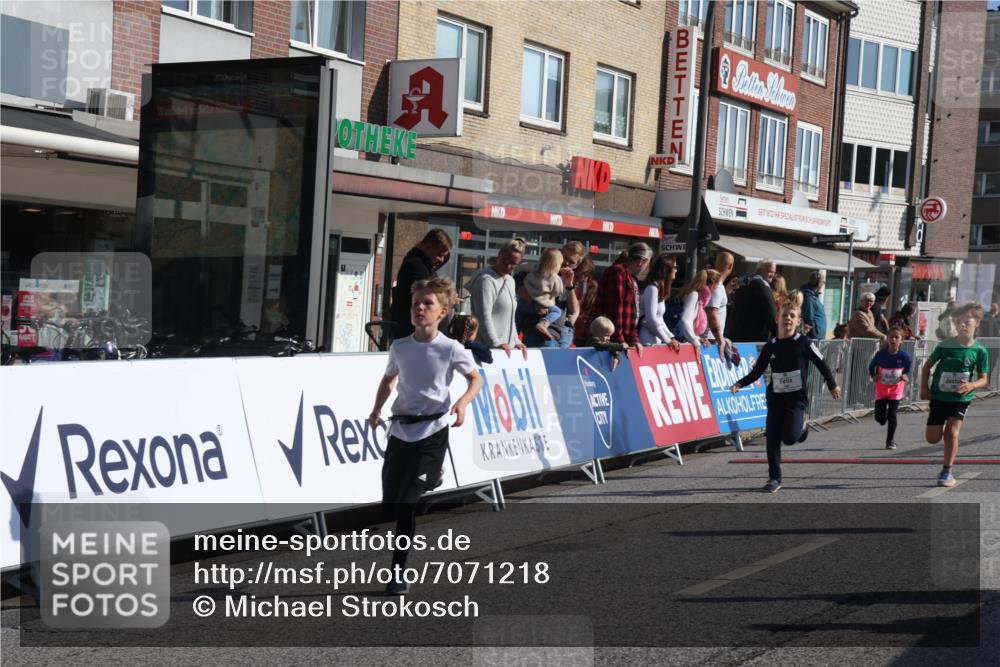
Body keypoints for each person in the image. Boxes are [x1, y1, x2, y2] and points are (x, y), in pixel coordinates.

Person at [368, 276, 484, 595]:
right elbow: (388, 380)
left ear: (442, 312)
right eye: (416, 303)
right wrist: (377, 409)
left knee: (407, 504)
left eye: (427, 304)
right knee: (392, 502)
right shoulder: (400, 347)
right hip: (400, 430)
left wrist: (461, 403)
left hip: (432, 429)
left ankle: (397, 573)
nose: (420, 308)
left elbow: (476, 379)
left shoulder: (450, 348)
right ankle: (431, 477)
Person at [731, 302, 841, 493]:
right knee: (772, 439)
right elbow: (757, 371)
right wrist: (740, 383)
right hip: (775, 399)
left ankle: (802, 428)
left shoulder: (803, 343)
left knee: (789, 438)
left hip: (796, 400)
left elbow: (821, 363)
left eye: (792, 316)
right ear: (777, 319)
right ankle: (774, 478)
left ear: (798, 321)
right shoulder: (770, 346)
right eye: (784, 315)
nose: (788, 318)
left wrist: (832, 384)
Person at [920, 302, 990, 488]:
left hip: (960, 399)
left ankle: (946, 471)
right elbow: (927, 366)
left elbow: (984, 379)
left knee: (952, 433)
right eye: (960, 322)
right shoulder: (945, 346)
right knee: (932, 438)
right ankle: (942, 431)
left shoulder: (979, 351)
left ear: (978, 324)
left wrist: (972, 385)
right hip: (939, 397)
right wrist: (924, 389)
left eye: (967, 322)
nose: (963, 325)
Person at [389, 229, 452, 342]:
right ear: (428, 247)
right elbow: (431, 293)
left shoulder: (424, 261)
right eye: (439, 255)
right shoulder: (416, 265)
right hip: (411, 333)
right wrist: (449, 298)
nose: (441, 260)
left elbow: (446, 256)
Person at [469, 238, 528, 358]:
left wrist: (516, 341)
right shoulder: (486, 280)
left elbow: (509, 318)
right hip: (487, 351)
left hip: (504, 350)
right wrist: (496, 343)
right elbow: (483, 317)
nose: (508, 265)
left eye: (513, 264)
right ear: (499, 254)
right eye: (505, 260)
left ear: (519, 264)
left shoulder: (510, 280)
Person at [593, 242, 652, 355]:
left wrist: (634, 340)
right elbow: (615, 309)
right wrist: (620, 341)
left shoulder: (632, 278)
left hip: (621, 341)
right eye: (648, 262)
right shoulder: (618, 272)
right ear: (641, 261)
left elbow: (633, 314)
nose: (647, 267)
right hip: (608, 339)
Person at [869, 326, 912, 450]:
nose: (893, 339)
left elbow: (909, 369)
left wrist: (906, 375)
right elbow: (871, 366)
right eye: (891, 337)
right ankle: (884, 416)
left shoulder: (904, 356)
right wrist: (874, 375)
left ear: (901, 340)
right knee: (880, 418)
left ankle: (890, 440)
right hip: (881, 388)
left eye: (896, 337)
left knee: (893, 415)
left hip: (896, 389)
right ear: (887, 339)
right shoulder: (880, 354)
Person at [726, 259, 778, 343]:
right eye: (770, 271)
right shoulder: (761, 285)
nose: (773, 275)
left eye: (774, 272)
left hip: (734, 336)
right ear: (759, 271)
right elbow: (772, 314)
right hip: (754, 341)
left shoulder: (743, 281)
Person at [518, 248, 565, 341]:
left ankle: (515, 333)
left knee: (518, 318)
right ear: (557, 264)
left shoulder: (533, 268)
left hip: (525, 302)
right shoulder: (555, 277)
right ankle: (543, 323)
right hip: (543, 304)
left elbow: (522, 266)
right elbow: (558, 292)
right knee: (557, 311)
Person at [638, 254, 681, 350]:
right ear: (666, 269)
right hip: (647, 342)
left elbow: (660, 320)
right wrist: (668, 340)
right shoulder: (652, 289)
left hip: (655, 342)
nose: (676, 270)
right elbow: (651, 319)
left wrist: (671, 337)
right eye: (675, 267)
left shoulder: (658, 290)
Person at [675, 269, 720, 345]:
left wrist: (698, 339)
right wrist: (695, 342)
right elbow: (685, 321)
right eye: (718, 284)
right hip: (680, 342)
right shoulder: (694, 295)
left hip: (683, 341)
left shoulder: (699, 298)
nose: (717, 287)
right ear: (712, 284)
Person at [705, 251, 735, 359]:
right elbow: (712, 313)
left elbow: (715, 306)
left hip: (711, 339)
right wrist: (720, 340)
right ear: (731, 266)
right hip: (710, 340)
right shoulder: (717, 286)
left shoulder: (718, 286)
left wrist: (726, 292)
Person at [572, 255, 600, 347]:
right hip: (571, 335)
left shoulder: (594, 290)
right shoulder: (569, 286)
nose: (583, 278)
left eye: (586, 275)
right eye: (581, 274)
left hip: (586, 337)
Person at [799, 271, 827, 340]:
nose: (823, 284)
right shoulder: (809, 297)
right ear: (819, 283)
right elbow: (808, 319)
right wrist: (814, 336)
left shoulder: (814, 296)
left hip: (818, 337)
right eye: (823, 282)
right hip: (815, 338)